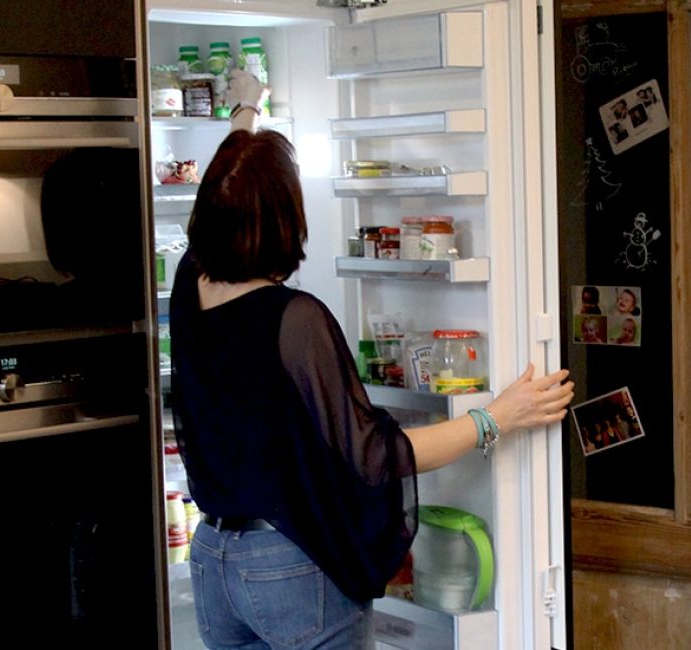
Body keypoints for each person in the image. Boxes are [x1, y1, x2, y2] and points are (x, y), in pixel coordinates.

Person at [170, 69, 575, 649]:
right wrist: (495, 418)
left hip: (213, 559)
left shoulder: (190, 285)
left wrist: (245, 113)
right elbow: (374, 456)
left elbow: (227, 189)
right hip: (286, 564)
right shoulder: (294, 319)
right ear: (286, 219)